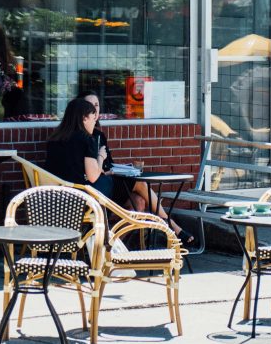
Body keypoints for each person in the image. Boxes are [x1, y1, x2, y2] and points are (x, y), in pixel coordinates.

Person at [81, 91, 192, 246]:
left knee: (139, 202)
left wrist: (115, 169)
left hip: (105, 184)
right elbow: (92, 173)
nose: (94, 109)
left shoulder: (99, 135)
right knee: (140, 184)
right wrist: (102, 162)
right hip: (96, 190)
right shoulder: (84, 138)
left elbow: (108, 165)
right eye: (90, 105)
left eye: (97, 105)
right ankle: (170, 225)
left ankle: (112, 246)